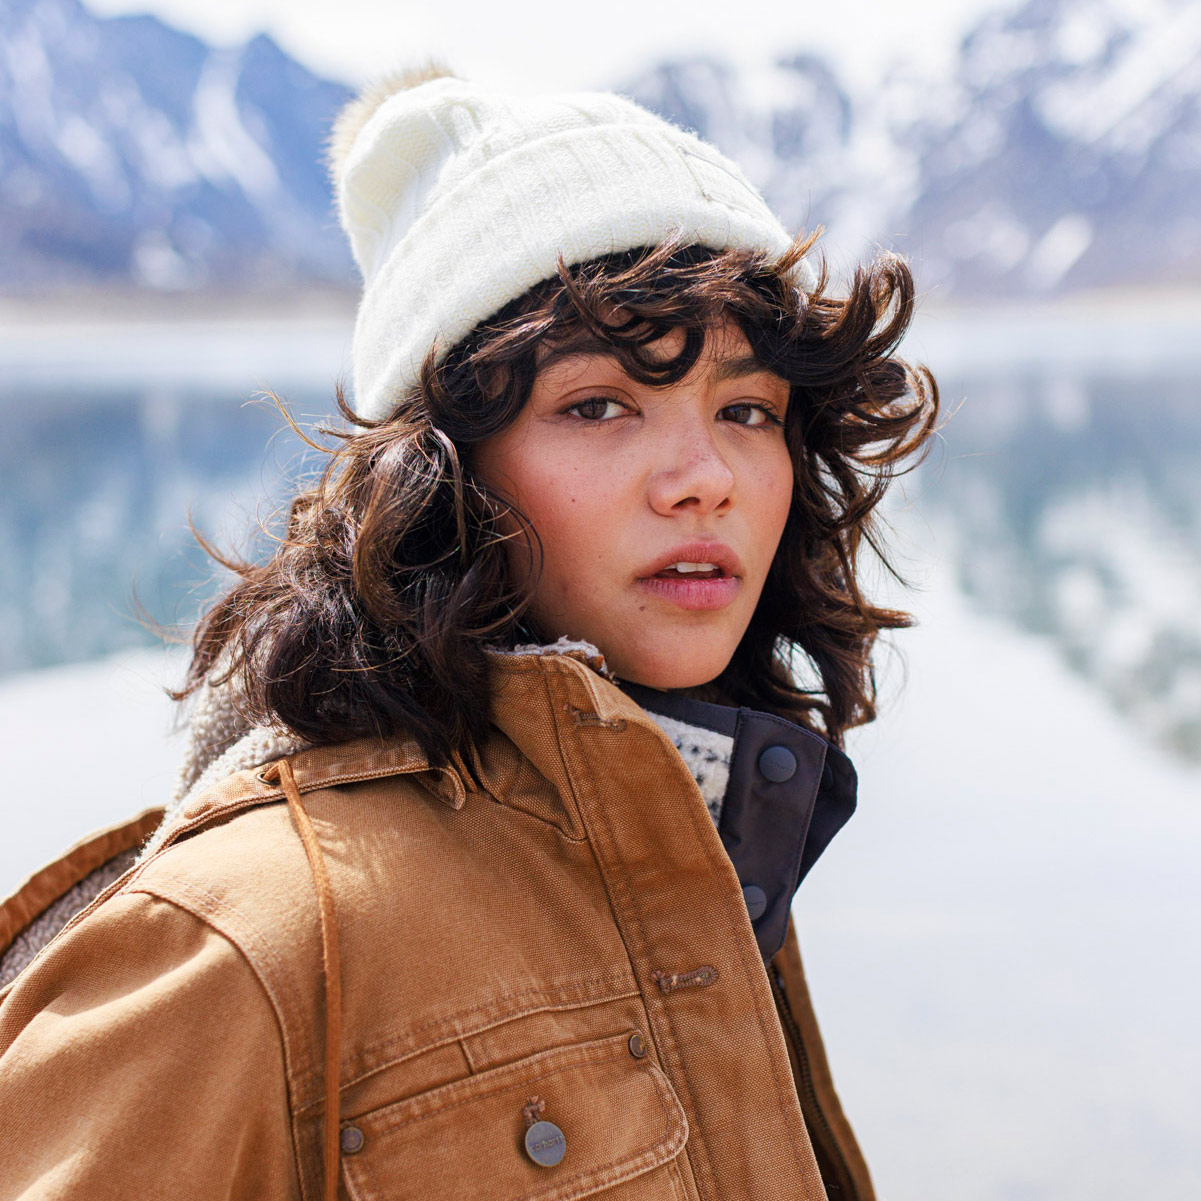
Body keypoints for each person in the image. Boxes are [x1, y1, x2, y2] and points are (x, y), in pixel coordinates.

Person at [0, 67, 938, 1200]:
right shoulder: (246, 937)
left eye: (747, 411)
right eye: (597, 406)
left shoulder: (702, 838)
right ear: (439, 476)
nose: (706, 480)